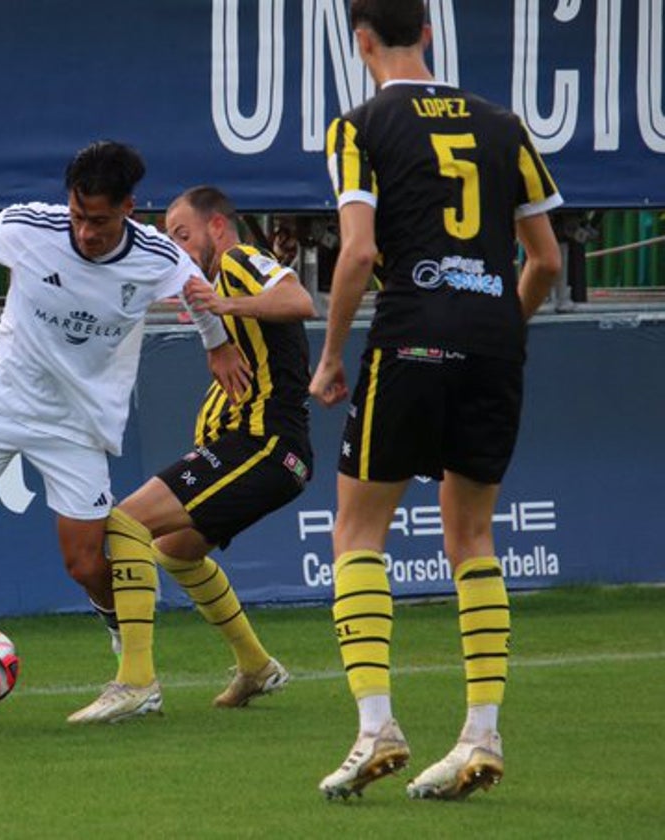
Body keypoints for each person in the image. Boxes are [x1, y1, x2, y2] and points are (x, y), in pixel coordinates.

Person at [0, 141, 249, 728]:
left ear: (129, 208)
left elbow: (195, 292)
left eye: (99, 221)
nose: (84, 232)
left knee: (85, 564)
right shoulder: (33, 226)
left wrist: (218, 344)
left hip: (77, 425)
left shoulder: (157, 257)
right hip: (0, 401)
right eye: (78, 216)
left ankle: (128, 663)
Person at [308, 0, 563, 800]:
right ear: (427, 32)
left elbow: (358, 252)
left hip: (413, 333)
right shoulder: (503, 124)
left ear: (360, 42)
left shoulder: (357, 128)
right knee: (474, 536)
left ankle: (376, 724)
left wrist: (330, 356)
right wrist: (495, 328)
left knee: (357, 530)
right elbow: (548, 261)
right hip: (495, 340)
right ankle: (482, 737)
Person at [68, 185, 316, 723]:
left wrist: (227, 303)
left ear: (218, 228)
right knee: (176, 551)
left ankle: (135, 681)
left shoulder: (239, 260)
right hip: (261, 450)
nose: (178, 247)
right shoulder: (212, 282)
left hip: (264, 446)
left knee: (124, 523)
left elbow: (300, 301)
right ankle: (257, 666)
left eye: (183, 234)